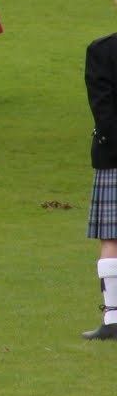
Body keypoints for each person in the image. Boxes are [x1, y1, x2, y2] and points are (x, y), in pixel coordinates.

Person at [82, 22, 117, 340]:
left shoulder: (102, 50)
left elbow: (102, 109)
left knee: (111, 239)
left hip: (114, 154)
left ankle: (113, 318)